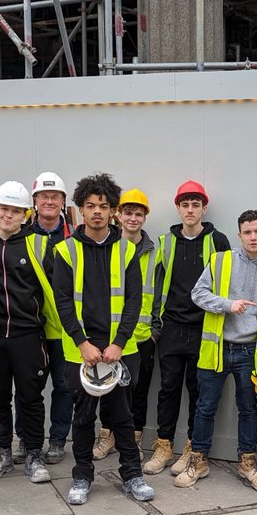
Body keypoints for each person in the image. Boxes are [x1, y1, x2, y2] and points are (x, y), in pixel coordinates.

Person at [52, 173, 154, 505]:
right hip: (79, 350)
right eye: (90, 206)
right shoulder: (65, 251)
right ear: (80, 209)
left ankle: (132, 475)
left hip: (118, 350)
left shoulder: (127, 251)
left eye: (104, 206)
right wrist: (83, 343)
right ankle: (82, 476)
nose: (97, 211)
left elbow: (134, 302)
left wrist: (118, 344)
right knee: (81, 418)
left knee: (122, 417)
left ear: (113, 211)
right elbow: (62, 301)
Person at [180, 209, 257, 491]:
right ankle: (198, 461)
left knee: (248, 409)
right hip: (216, 348)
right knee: (205, 407)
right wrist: (229, 304)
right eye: (247, 232)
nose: (253, 237)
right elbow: (198, 294)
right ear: (239, 235)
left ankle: (247, 463)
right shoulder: (220, 260)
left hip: (250, 352)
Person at [143, 180, 231, 475]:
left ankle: (192, 448)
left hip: (203, 328)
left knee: (197, 390)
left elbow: (226, 286)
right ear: (178, 208)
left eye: (196, 204)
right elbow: (155, 286)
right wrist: (156, 326)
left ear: (204, 208)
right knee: (167, 389)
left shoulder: (218, 241)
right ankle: (164, 445)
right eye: (185, 204)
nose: (190, 210)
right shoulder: (165, 242)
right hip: (171, 327)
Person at [0, 181, 54, 485]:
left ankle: (34, 454)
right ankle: (1, 455)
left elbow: (54, 294)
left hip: (27, 336)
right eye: (3, 209)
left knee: (31, 398)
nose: (8, 215)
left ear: (26, 214)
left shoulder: (39, 245)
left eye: (15, 210)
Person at [92, 188, 161, 461]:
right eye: (128, 213)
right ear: (118, 215)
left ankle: (133, 437)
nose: (133, 218)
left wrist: (155, 331)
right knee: (107, 388)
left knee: (138, 391)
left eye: (139, 213)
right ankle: (106, 435)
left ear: (145, 218)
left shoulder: (154, 252)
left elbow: (161, 293)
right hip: (111, 336)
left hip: (142, 336)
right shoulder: (108, 247)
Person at [21, 172, 75, 464]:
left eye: (55, 197)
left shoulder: (75, 236)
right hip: (31, 329)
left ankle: (57, 440)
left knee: (64, 388)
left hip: (65, 329)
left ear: (64, 202)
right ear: (35, 202)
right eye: (44, 197)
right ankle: (25, 439)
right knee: (28, 388)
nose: (50, 201)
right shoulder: (23, 236)